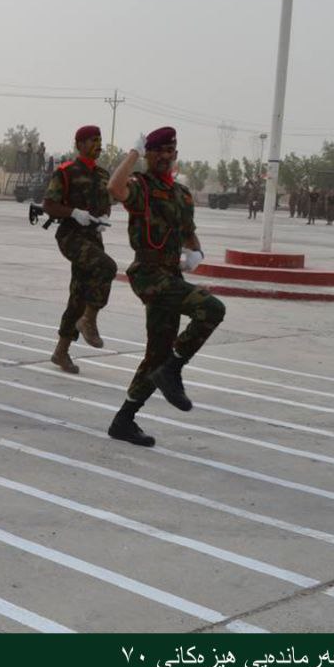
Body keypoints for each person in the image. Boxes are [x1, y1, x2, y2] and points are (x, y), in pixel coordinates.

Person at [105, 126, 226, 448]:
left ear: (175, 154)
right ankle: (173, 370)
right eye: (157, 150)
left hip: (172, 275)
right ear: (147, 154)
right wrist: (132, 152)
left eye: (169, 150)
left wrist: (196, 253)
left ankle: (124, 420)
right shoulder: (141, 186)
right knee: (212, 308)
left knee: (157, 353)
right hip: (148, 274)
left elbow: (188, 232)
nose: (163, 156)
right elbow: (114, 188)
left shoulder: (182, 194)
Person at [41, 125, 115, 374]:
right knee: (107, 266)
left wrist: (103, 218)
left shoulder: (103, 175)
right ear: (79, 144)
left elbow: (106, 202)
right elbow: (49, 205)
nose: (98, 144)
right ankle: (89, 320)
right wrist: (73, 212)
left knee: (79, 294)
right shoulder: (66, 172)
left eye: (99, 140)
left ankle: (61, 352)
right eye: (93, 140)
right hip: (71, 235)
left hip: (93, 237)